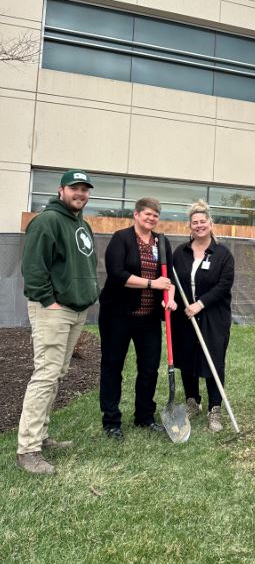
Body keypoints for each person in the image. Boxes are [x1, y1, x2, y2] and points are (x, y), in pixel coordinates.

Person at [17, 169, 99, 475]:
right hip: (53, 309)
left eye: (85, 189)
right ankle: (28, 450)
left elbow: (85, 264)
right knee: (46, 374)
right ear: (61, 190)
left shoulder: (82, 225)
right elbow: (34, 268)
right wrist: (49, 301)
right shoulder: (47, 221)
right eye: (74, 188)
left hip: (75, 310)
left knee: (57, 373)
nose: (80, 193)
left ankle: (41, 435)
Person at [98, 198, 175, 439]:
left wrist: (170, 297)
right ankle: (111, 421)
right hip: (117, 316)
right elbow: (117, 274)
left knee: (149, 369)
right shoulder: (121, 238)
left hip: (148, 319)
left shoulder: (161, 242)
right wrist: (152, 283)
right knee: (113, 367)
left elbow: (168, 278)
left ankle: (144, 416)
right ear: (136, 215)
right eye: (147, 214)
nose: (151, 219)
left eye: (155, 215)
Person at [172, 200, 234, 433]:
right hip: (185, 317)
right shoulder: (181, 252)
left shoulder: (222, 254)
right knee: (188, 358)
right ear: (189, 226)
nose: (199, 226)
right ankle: (192, 401)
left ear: (211, 223)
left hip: (213, 316)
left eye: (203, 221)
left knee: (214, 361)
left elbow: (224, 284)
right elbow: (171, 280)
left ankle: (215, 408)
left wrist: (201, 304)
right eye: (194, 222)